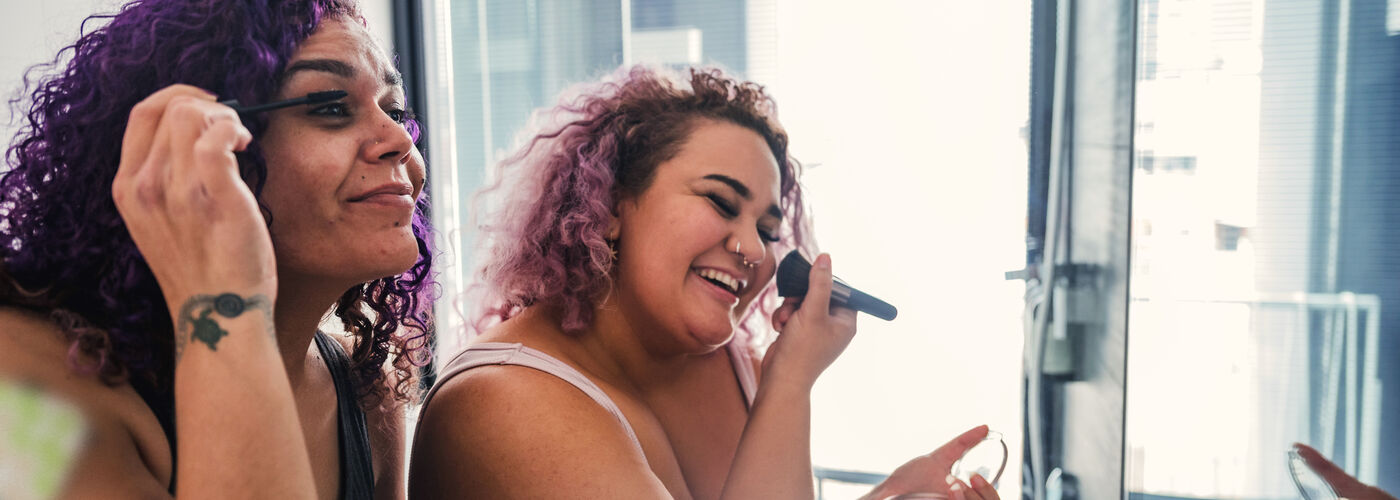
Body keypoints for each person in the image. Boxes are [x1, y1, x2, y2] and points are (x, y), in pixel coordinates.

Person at [409, 65, 1000, 500]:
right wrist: (790, 382)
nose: (754, 249)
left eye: (768, 230)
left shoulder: (739, 368)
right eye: (720, 202)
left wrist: (889, 497)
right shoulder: (502, 408)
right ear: (610, 205)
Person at [0, 0, 434, 497]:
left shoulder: (366, 388)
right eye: (331, 106)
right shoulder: (21, 385)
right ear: (181, 147)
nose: (399, 138)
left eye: (394, 110)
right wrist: (225, 293)